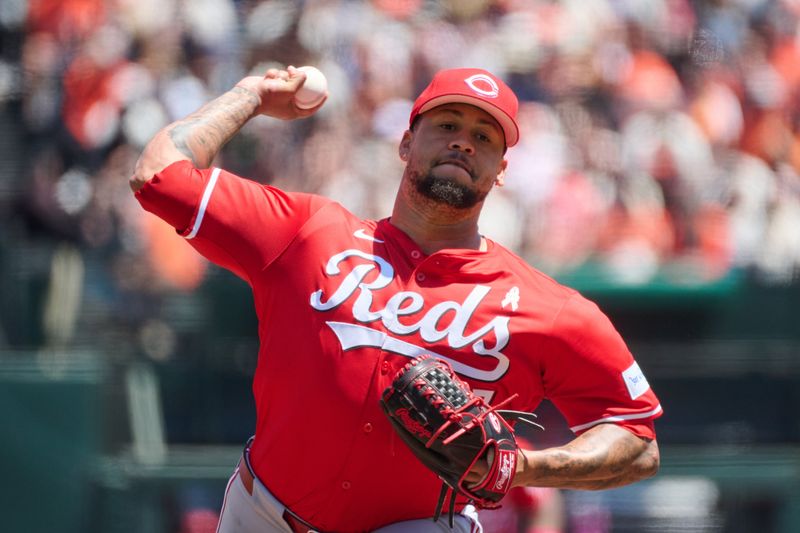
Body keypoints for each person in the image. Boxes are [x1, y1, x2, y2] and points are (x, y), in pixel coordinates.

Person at [131, 66, 662, 533]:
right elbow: (159, 175)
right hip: (264, 514)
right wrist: (249, 96)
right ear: (406, 143)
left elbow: (637, 442)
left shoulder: (545, 307)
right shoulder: (309, 234)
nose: (464, 143)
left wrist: (523, 468)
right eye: (447, 125)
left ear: (502, 170)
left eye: (485, 136)